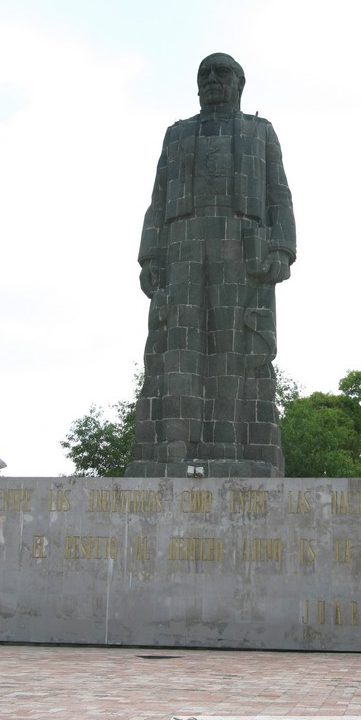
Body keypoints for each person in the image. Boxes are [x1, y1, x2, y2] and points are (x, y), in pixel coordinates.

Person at [125, 53, 296, 478]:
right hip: (181, 242)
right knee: (177, 350)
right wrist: (149, 255)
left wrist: (281, 249)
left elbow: (280, 196)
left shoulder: (261, 132)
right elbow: (158, 199)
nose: (212, 80)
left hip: (241, 244)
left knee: (234, 348)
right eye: (204, 74)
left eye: (221, 73)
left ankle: (232, 445)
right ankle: (172, 449)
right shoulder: (177, 135)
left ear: (239, 83)